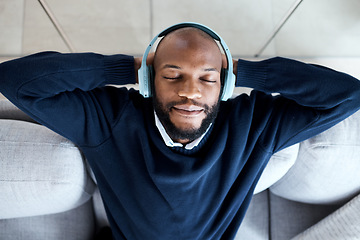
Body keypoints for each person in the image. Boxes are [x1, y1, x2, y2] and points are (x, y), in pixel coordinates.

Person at [1, 23, 360, 240]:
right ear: (149, 80)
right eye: (172, 76)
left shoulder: (254, 125)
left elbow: (349, 95)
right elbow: (15, 80)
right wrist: (123, 68)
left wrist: (247, 73)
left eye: (207, 78)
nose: (190, 91)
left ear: (224, 85)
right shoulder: (110, 118)